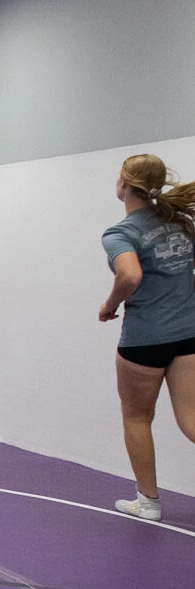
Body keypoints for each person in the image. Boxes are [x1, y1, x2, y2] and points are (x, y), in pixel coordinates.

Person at [99, 153, 195, 520]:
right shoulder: (181, 223)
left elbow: (130, 276)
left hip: (145, 339)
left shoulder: (121, 233)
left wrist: (109, 306)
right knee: (191, 420)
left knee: (137, 417)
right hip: (188, 335)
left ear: (124, 184)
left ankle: (149, 502)